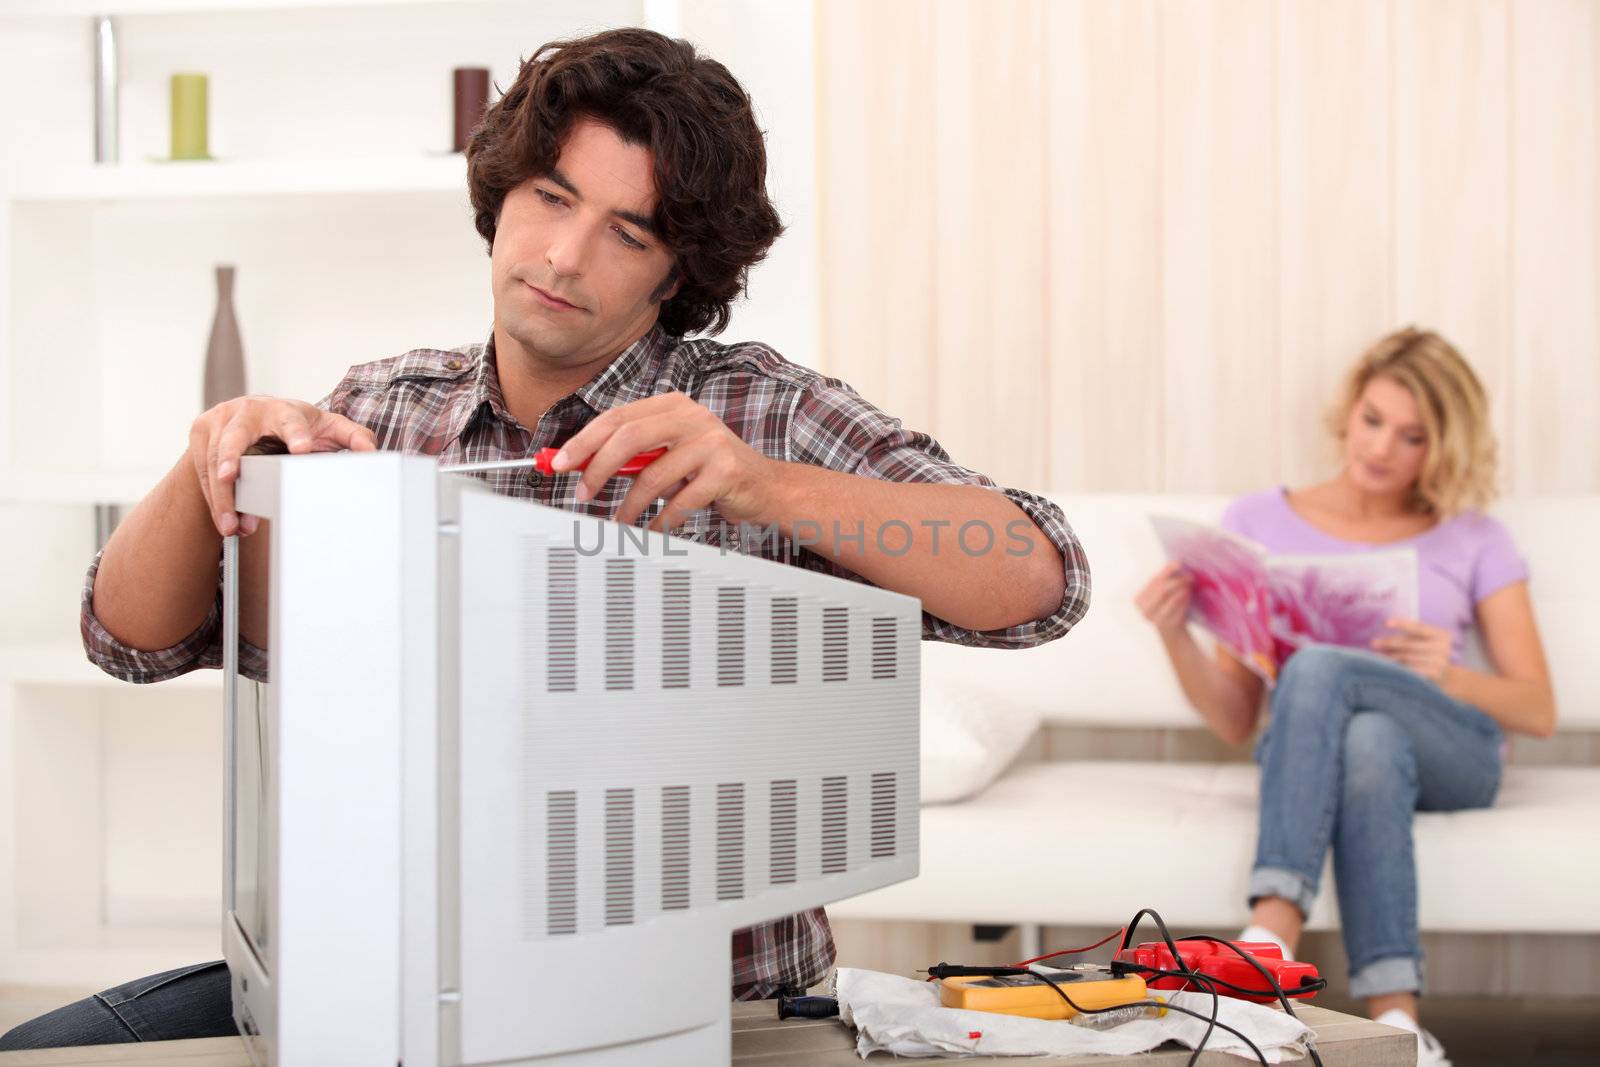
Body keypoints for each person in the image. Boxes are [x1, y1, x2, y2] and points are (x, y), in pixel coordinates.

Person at [1, 28, 1089, 1049]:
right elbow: (126, 637)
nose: (564, 256)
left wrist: (771, 489)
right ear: (501, 195)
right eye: (550, 196)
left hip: (706, 1007)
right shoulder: (376, 409)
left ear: (679, 270)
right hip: (392, 976)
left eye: (628, 231)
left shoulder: (760, 413)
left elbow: (1040, 574)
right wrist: (211, 461)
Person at [1134, 327, 1555, 1067]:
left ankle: (1269, 933)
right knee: (1367, 741)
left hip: (1457, 752)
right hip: (1346, 756)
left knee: (1326, 666)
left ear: (1444, 447)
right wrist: (1176, 635)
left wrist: (1444, 671)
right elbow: (1237, 719)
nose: (1383, 448)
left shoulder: (1474, 535)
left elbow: (1538, 709)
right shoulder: (1257, 520)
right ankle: (1399, 1025)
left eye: (1413, 436)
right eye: (1374, 419)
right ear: (1348, 412)